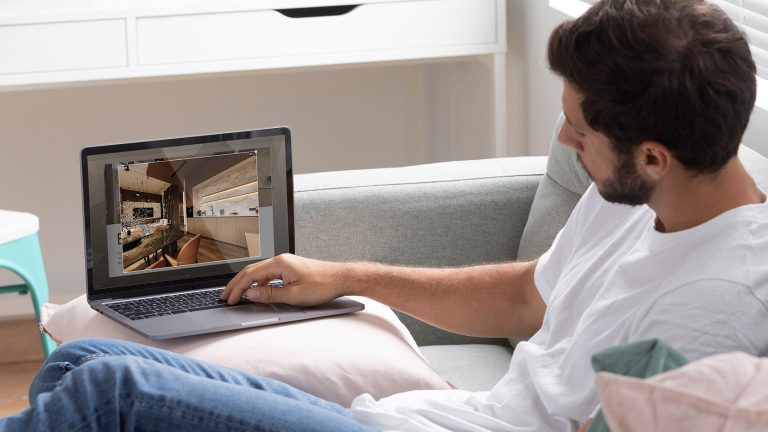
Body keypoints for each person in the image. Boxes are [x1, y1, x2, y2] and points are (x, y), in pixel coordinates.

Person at [2, 0, 767, 431]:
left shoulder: (720, 305)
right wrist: (342, 276)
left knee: (108, 399)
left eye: (580, 129)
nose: (564, 142)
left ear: (655, 156)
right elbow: (526, 298)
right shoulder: (631, 195)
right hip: (431, 415)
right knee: (83, 363)